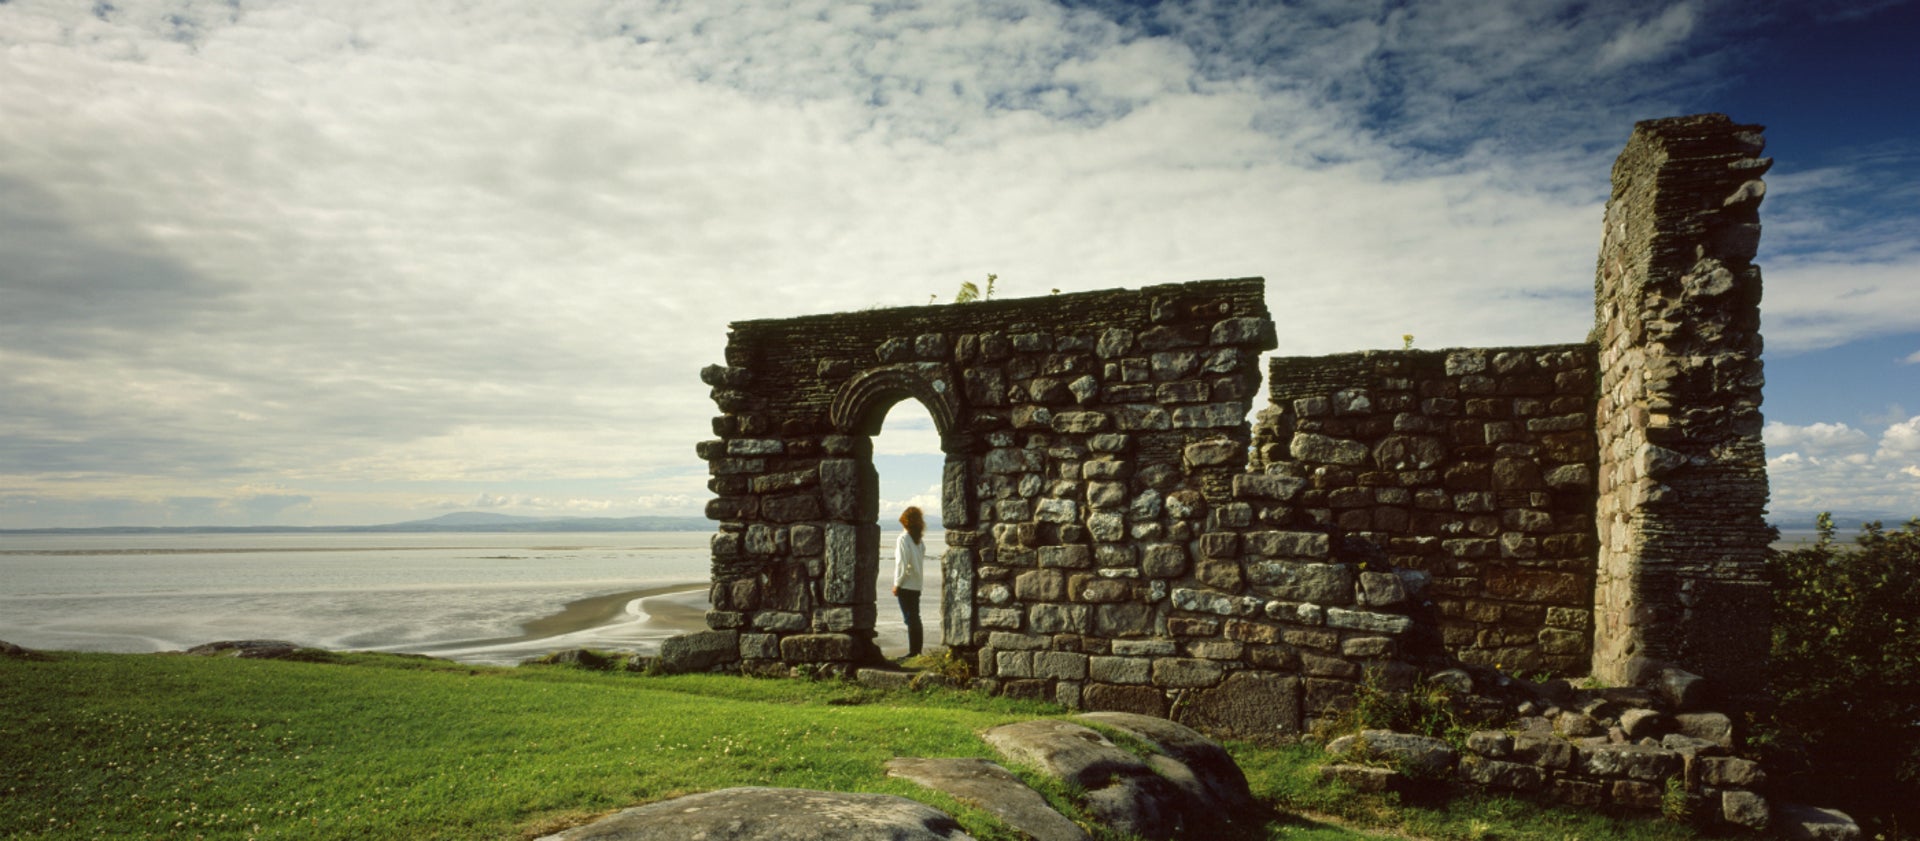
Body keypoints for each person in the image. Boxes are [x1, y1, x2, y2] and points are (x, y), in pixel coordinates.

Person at [891, 506, 927, 658]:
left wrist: (897, 584)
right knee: (915, 618)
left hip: (906, 584)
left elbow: (902, 564)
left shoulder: (903, 538)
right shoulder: (919, 540)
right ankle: (917, 651)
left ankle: (913, 652)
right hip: (917, 584)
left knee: (910, 619)